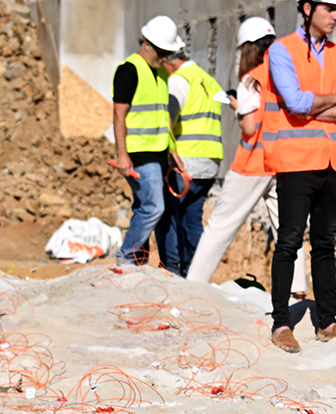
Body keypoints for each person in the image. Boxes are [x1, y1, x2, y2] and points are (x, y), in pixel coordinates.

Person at [263, 0, 336, 353]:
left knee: (325, 243)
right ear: (306, 9)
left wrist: (315, 104)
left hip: (334, 161)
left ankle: (326, 321)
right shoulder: (281, 50)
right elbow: (295, 102)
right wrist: (331, 102)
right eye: (329, 8)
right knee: (288, 242)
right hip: (295, 163)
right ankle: (280, 323)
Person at [186, 17, 281, 283]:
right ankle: (297, 291)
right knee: (286, 232)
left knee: (220, 226)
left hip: (251, 164)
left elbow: (250, 127)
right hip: (280, 162)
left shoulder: (251, 80)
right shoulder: (281, 74)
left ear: (248, 48)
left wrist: (235, 106)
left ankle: (194, 283)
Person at [111, 16, 186, 266]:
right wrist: (123, 154)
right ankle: (126, 258)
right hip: (138, 153)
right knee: (154, 207)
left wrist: (172, 149)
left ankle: (138, 260)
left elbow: (162, 115)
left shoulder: (160, 72)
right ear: (147, 45)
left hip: (157, 152)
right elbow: (119, 115)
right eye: (162, 53)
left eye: (168, 53)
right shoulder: (129, 70)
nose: (164, 59)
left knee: (143, 206)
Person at [159, 42, 228, 271]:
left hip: (186, 161)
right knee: (192, 218)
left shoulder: (180, 80)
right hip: (209, 162)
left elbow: (168, 119)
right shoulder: (207, 79)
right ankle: (195, 273)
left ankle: (172, 271)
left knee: (168, 215)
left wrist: (172, 152)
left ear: (169, 59)